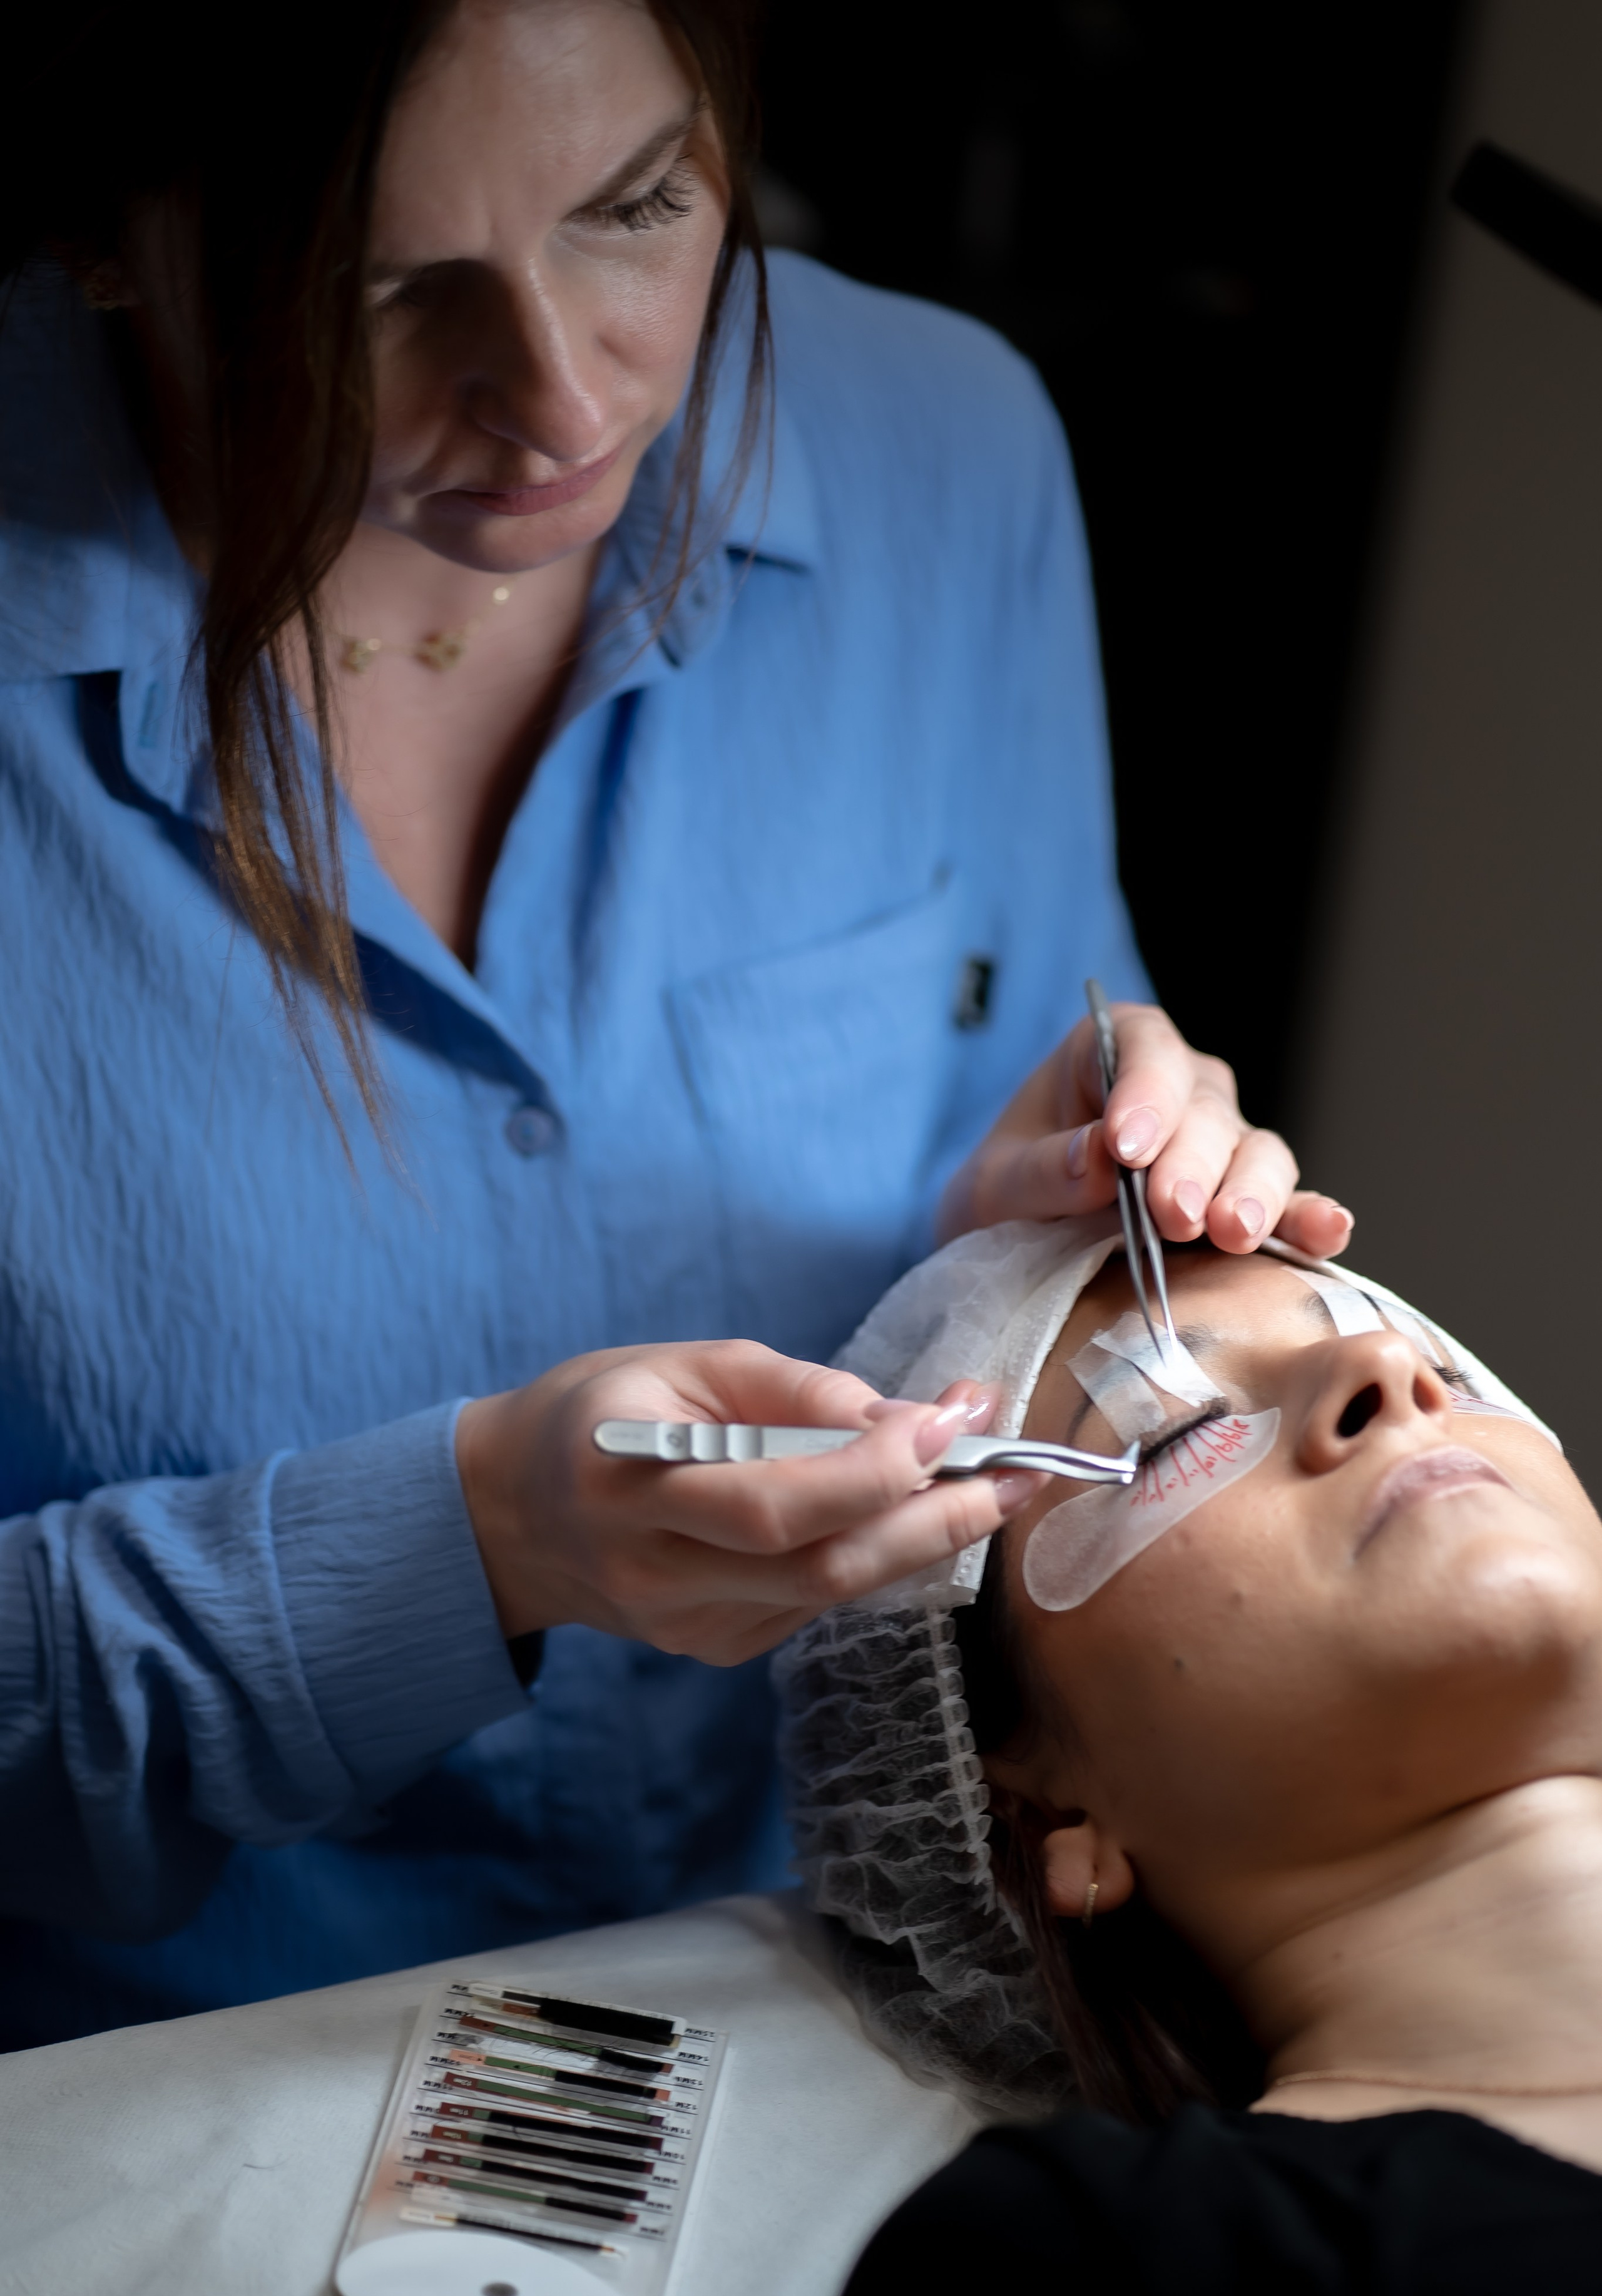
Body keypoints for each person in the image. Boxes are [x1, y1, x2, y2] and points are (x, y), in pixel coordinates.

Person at [0, 0, 1348, 2048]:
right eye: (379, 285)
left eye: (638, 205)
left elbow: (1041, 1125)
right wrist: (471, 1544)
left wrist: (1019, 1254)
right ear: (100, 230)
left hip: (844, 2041)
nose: (562, 395)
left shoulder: (940, 460)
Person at [782, 1222, 1602, 2296]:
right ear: (1031, 1809)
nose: (1390, 1375)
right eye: (1176, 1429)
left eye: (1444, 1363)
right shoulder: (1099, 2278)